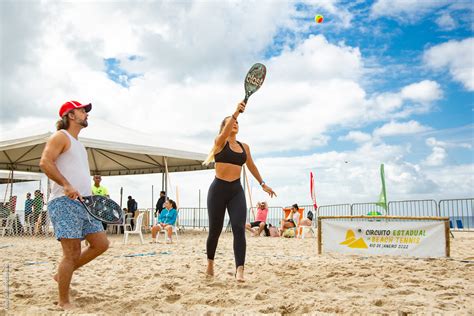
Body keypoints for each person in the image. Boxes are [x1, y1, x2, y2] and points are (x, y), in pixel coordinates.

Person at [39, 100, 109, 310]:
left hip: (85, 203)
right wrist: (66, 184)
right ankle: (63, 301)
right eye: (82, 110)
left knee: (101, 244)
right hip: (64, 201)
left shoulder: (80, 145)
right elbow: (45, 162)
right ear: (70, 115)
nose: (86, 114)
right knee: (71, 254)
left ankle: (61, 274)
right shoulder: (60, 136)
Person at [203, 101, 276, 282]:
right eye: (231, 122)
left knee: (238, 228)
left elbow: (251, 165)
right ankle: (210, 263)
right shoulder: (219, 143)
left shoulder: (245, 147)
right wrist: (235, 112)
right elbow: (226, 130)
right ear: (224, 127)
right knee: (215, 230)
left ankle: (240, 270)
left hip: (236, 190)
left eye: (236, 122)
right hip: (218, 190)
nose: (235, 123)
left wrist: (262, 183)